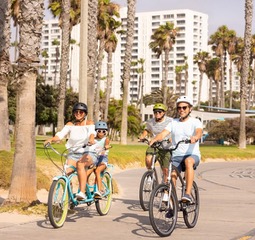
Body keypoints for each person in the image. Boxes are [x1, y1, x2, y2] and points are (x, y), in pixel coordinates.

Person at [149, 96, 203, 203]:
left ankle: (187, 194)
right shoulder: (173, 122)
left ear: (190, 109)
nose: (181, 110)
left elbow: (199, 132)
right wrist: (154, 139)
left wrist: (195, 137)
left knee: (188, 162)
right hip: (177, 156)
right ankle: (172, 205)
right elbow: (163, 133)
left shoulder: (195, 121)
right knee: (171, 175)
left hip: (192, 155)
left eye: (184, 107)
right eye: (179, 108)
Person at [44, 102, 95, 176]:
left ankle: (83, 187)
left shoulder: (89, 123)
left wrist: (91, 139)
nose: (78, 113)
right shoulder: (70, 125)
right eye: (76, 112)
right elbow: (60, 135)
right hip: (73, 154)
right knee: (66, 173)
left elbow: (92, 133)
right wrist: (51, 140)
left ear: (85, 114)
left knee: (83, 176)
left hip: (86, 153)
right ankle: (68, 186)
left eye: (81, 112)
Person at [139, 103, 172, 183]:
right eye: (155, 112)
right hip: (155, 145)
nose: (157, 114)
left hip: (166, 147)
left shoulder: (170, 121)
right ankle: (150, 175)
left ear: (164, 112)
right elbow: (147, 130)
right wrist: (142, 136)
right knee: (148, 159)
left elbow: (175, 131)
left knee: (165, 170)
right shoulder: (150, 122)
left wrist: (172, 138)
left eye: (160, 112)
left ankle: (164, 186)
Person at [77, 121, 111, 200]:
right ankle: (84, 190)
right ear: (96, 131)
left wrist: (105, 148)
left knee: (97, 171)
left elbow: (107, 145)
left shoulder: (106, 139)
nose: (101, 133)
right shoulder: (93, 139)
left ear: (106, 132)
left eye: (103, 131)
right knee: (86, 173)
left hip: (103, 159)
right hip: (95, 158)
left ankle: (100, 191)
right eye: (99, 131)